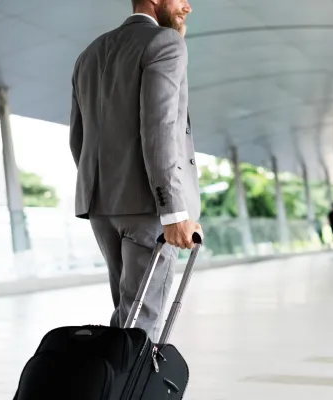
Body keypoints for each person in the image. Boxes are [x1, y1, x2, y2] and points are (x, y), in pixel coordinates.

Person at [69, 0, 201, 343]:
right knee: (143, 326)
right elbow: (159, 129)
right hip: (149, 208)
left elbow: (78, 140)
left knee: (126, 318)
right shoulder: (166, 43)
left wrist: (106, 191)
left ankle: (114, 388)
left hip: (101, 207)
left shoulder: (90, 54)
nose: (188, 6)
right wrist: (174, 210)